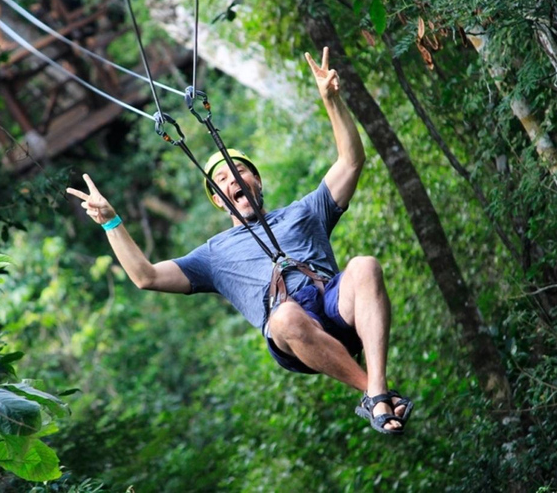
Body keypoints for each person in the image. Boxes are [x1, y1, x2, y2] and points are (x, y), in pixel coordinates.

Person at [67, 47, 413, 435]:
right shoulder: (213, 255)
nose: (233, 180)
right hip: (292, 330)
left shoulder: (305, 211)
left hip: (335, 305)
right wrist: (110, 220)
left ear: (257, 181)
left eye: (239, 171)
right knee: (284, 316)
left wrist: (332, 101)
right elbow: (145, 276)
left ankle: (377, 390)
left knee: (364, 264)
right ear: (217, 199)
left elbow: (351, 162)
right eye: (222, 180)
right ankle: (374, 394)